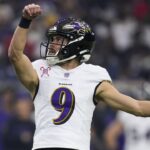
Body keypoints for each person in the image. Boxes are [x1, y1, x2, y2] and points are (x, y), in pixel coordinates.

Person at [8, 3, 150, 150]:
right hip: (45, 145)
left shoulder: (93, 75)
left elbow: (137, 107)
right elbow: (15, 56)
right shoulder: (41, 67)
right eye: (53, 39)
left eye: (59, 40)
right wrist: (25, 21)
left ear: (77, 45)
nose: (52, 44)